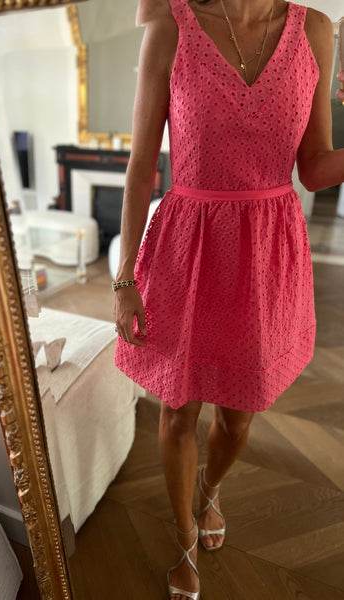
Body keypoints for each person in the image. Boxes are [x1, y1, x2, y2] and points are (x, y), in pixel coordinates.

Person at [112, 0, 344, 598]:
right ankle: (183, 534)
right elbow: (141, 169)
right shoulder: (171, 26)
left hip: (267, 255)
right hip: (185, 251)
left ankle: (211, 489)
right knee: (177, 409)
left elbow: (315, 169)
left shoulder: (316, 31)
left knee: (239, 415)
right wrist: (124, 279)